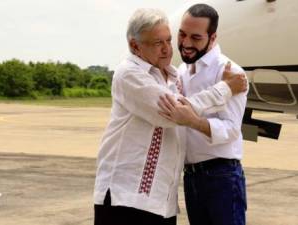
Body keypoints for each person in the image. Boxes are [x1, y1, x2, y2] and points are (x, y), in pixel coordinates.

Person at [93, 8, 247, 225]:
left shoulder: (178, 77)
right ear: (134, 46)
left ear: (212, 37)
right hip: (127, 198)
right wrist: (224, 89)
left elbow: (229, 128)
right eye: (158, 43)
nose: (168, 49)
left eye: (168, 40)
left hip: (167, 200)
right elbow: (171, 113)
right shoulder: (130, 74)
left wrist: (194, 115)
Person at [159, 3, 248, 225]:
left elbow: (231, 130)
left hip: (222, 177)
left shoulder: (230, 72)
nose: (186, 44)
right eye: (182, 34)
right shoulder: (182, 72)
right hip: (191, 177)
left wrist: (194, 121)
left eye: (196, 38)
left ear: (213, 37)